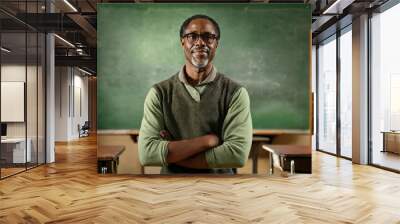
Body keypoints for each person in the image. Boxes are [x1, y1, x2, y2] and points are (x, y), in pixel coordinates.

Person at [138, 14, 252, 174]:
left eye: (208, 37)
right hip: (170, 190)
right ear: (182, 41)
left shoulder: (235, 93)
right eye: (192, 36)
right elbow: (147, 154)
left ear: (216, 43)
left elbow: (236, 155)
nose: (200, 42)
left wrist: (173, 153)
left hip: (221, 190)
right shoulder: (159, 93)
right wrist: (207, 141)